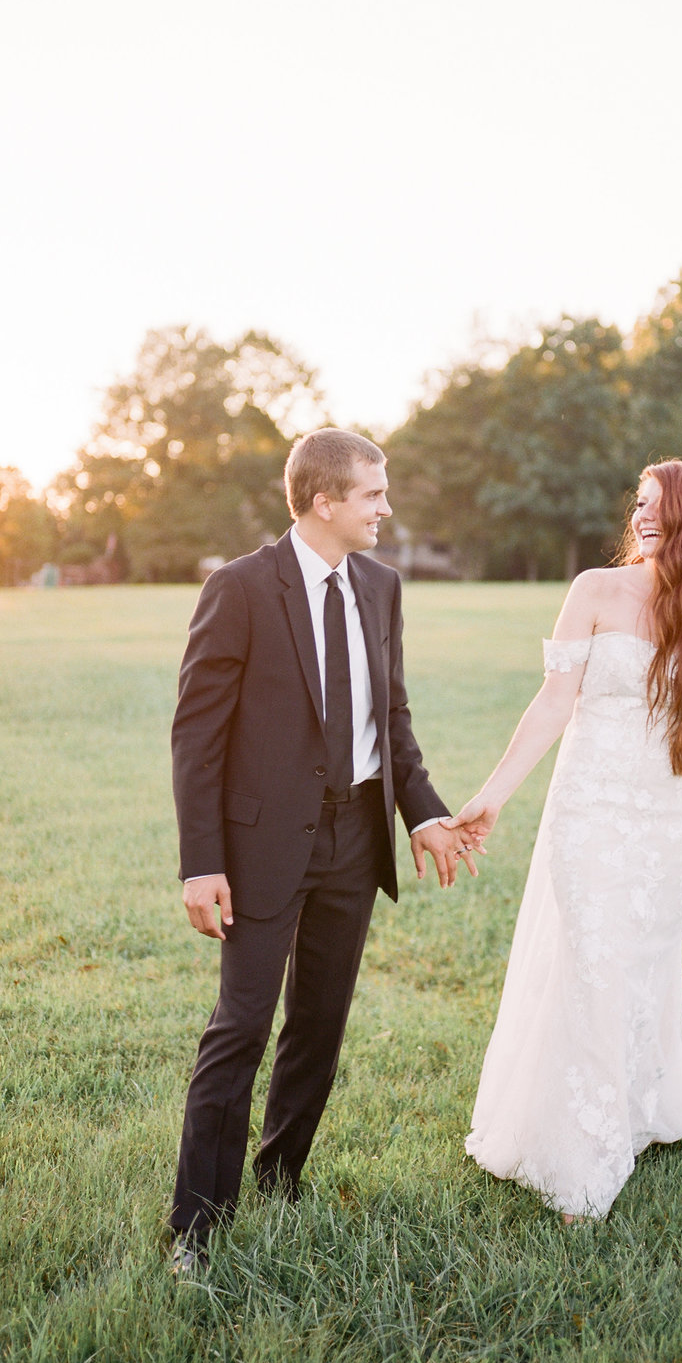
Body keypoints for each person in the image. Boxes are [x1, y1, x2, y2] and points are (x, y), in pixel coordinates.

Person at [167, 428, 478, 1274]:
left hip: (353, 838)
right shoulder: (238, 588)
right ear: (323, 501)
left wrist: (423, 815)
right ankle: (195, 1227)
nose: (387, 507)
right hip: (263, 843)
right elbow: (196, 736)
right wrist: (201, 862)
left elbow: (393, 720)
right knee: (242, 1024)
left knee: (320, 1022)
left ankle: (279, 1178)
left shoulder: (381, 584)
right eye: (374, 493)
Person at [453, 459, 682, 1221]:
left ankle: (641, 1106)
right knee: (593, 963)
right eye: (639, 504)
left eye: (659, 506)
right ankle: (585, 1158)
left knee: (641, 970)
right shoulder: (593, 589)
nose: (642, 516)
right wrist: (492, 793)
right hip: (589, 813)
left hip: (670, 820)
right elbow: (554, 704)